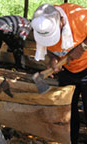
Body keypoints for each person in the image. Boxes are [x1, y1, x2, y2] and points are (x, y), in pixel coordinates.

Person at [31, 3, 87, 144]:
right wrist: (53, 59)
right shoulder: (41, 23)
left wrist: (83, 46)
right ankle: (72, 140)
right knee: (68, 110)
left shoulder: (80, 17)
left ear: (61, 21)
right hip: (67, 71)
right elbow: (48, 50)